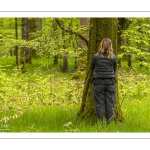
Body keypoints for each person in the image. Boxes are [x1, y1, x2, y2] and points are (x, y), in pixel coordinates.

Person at [90, 38, 117, 124]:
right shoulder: (113, 57)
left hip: (98, 83)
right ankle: (110, 124)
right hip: (110, 83)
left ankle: (100, 124)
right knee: (110, 104)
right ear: (110, 46)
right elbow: (115, 69)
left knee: (99, 104)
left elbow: (92, 69)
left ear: (101, 45)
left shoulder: (95, 57)